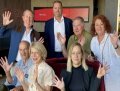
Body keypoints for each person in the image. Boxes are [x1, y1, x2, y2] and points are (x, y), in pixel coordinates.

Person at [90, 15, 120, 91]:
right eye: (96, 25)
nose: (99, 27)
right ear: (94, 27)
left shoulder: (112, 37)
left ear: (105, 25)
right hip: (100, 75)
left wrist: (116, 45)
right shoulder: (93, 40)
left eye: (101, 24)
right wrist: (91, 58)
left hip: (113, 75)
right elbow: (95, 56)